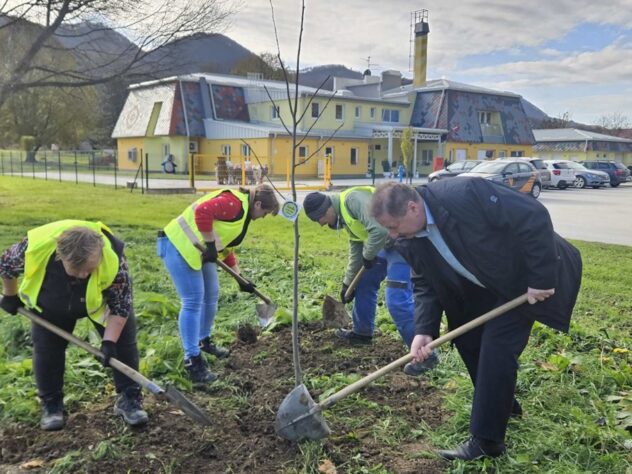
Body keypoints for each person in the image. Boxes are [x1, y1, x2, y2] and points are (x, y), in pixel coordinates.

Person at [369, 179, 582, 460]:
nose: (392, 235)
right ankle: (504, 406)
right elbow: (425, 281)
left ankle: (487, 442)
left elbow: (532, 215)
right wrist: (424, 330)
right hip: (485, 284)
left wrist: (541, 277)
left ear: (412, 208)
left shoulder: (465, 195)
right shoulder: (411, 238)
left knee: (497, 346)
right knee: (467, 339)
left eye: (393, 226)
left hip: (526, 279)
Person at [0, 221, 149, 431]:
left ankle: (130, 398)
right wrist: (10, 295)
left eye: (89, 269)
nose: (83, 275)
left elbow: (121, 306)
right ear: (61, 257)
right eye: (76, 270)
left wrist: (109, 341)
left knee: (124, 345)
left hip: (101, 302)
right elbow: (5, 264)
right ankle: (52, 405)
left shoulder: (114, 260)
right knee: (47, 350)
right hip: (51, 302)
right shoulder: (34, 248)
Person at [303, 187, 439, 376]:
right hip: (384, 245)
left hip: (402, 242)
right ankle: (362, 332)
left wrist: (368, 256)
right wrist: (347, 283)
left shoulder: (352, 200)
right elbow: (357, 249)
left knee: (396, 299)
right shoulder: (344, 217)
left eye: (319, 220)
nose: (321, 224)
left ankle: (426, 354)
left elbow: (379, 230)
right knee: (364, 282)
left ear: (326, 211)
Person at [158, 184, 280, 385]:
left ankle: (204, 341)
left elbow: (226, 247)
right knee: (192, 300)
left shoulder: (242, 213)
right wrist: (210, 245)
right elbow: (202, 211)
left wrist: (240, 279)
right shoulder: (234, 204)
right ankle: (192, 360)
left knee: (211, 294)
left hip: (200, 250)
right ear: (257, 204)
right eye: (264, 213)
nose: (262, 217)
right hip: (178, 244)